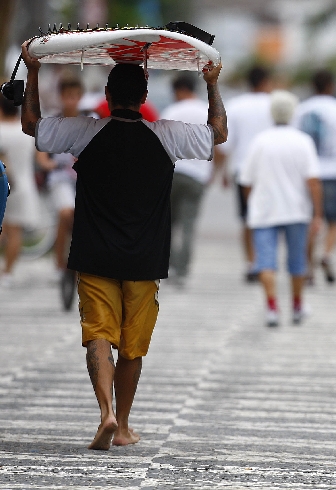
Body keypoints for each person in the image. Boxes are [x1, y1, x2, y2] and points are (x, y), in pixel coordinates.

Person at [21, 42, 227, 450]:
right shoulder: (167, 136)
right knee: (133, 346)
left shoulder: (84, 131)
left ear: (109, 96)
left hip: (94, 254)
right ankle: (126, 424)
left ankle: (106, 413)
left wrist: (32, 70)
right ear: (144, 98)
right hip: (145, 259)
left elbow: (32, 125)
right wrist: (212, 84)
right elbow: (218, 133)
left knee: (98, 333)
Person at [238, 90, 323, 327]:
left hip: (265, 211)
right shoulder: (303, 141)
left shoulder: (260, 141)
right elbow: (313, 181)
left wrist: (253, 201)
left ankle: (272, 307)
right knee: (297, 262)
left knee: (265, 262)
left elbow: (246, 181)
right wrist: (318, 213)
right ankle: (297, 305)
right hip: (296, 210)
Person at [293, 69, 336, 285]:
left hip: (307, 174)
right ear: (331, 86)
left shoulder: (301, 111)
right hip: (332, 172)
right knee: (334, 222)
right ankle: (326, 255)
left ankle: (308, 268)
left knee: (310, 222)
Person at [215, 65, 273, 282]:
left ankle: (251, 263)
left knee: (247, 219)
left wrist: (221, 171)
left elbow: (225, 143)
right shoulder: (274, 104)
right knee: (268, 217)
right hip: (270, 171)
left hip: (243, 170)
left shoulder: (236, 106)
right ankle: (267, 261)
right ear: (265, 82)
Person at [161, 73, 218, 287]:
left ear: (179, 90)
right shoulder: (207, 111)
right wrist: (215, 171)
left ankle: (170, 265)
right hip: (197, 174)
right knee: (188, 225)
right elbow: (218, 145)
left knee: (167, 223)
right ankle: (182, 271)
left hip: (173, 172)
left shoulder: (171, 111)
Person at [35, 77, 87, 279]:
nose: (71, 101)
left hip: (85, 179)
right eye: (67, 96)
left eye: (74, 96)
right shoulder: (53, 123)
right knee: (66, 213)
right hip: (60, 178)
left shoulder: (90, 121)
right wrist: (51, 164)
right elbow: (40, 155)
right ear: (61, 97)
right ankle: (59, 265)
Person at [0, 97, 39, 287]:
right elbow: (40, 158)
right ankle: (7, 273)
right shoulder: (26, 132)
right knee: (15, 231)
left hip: (2, 183)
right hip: (22, 185)